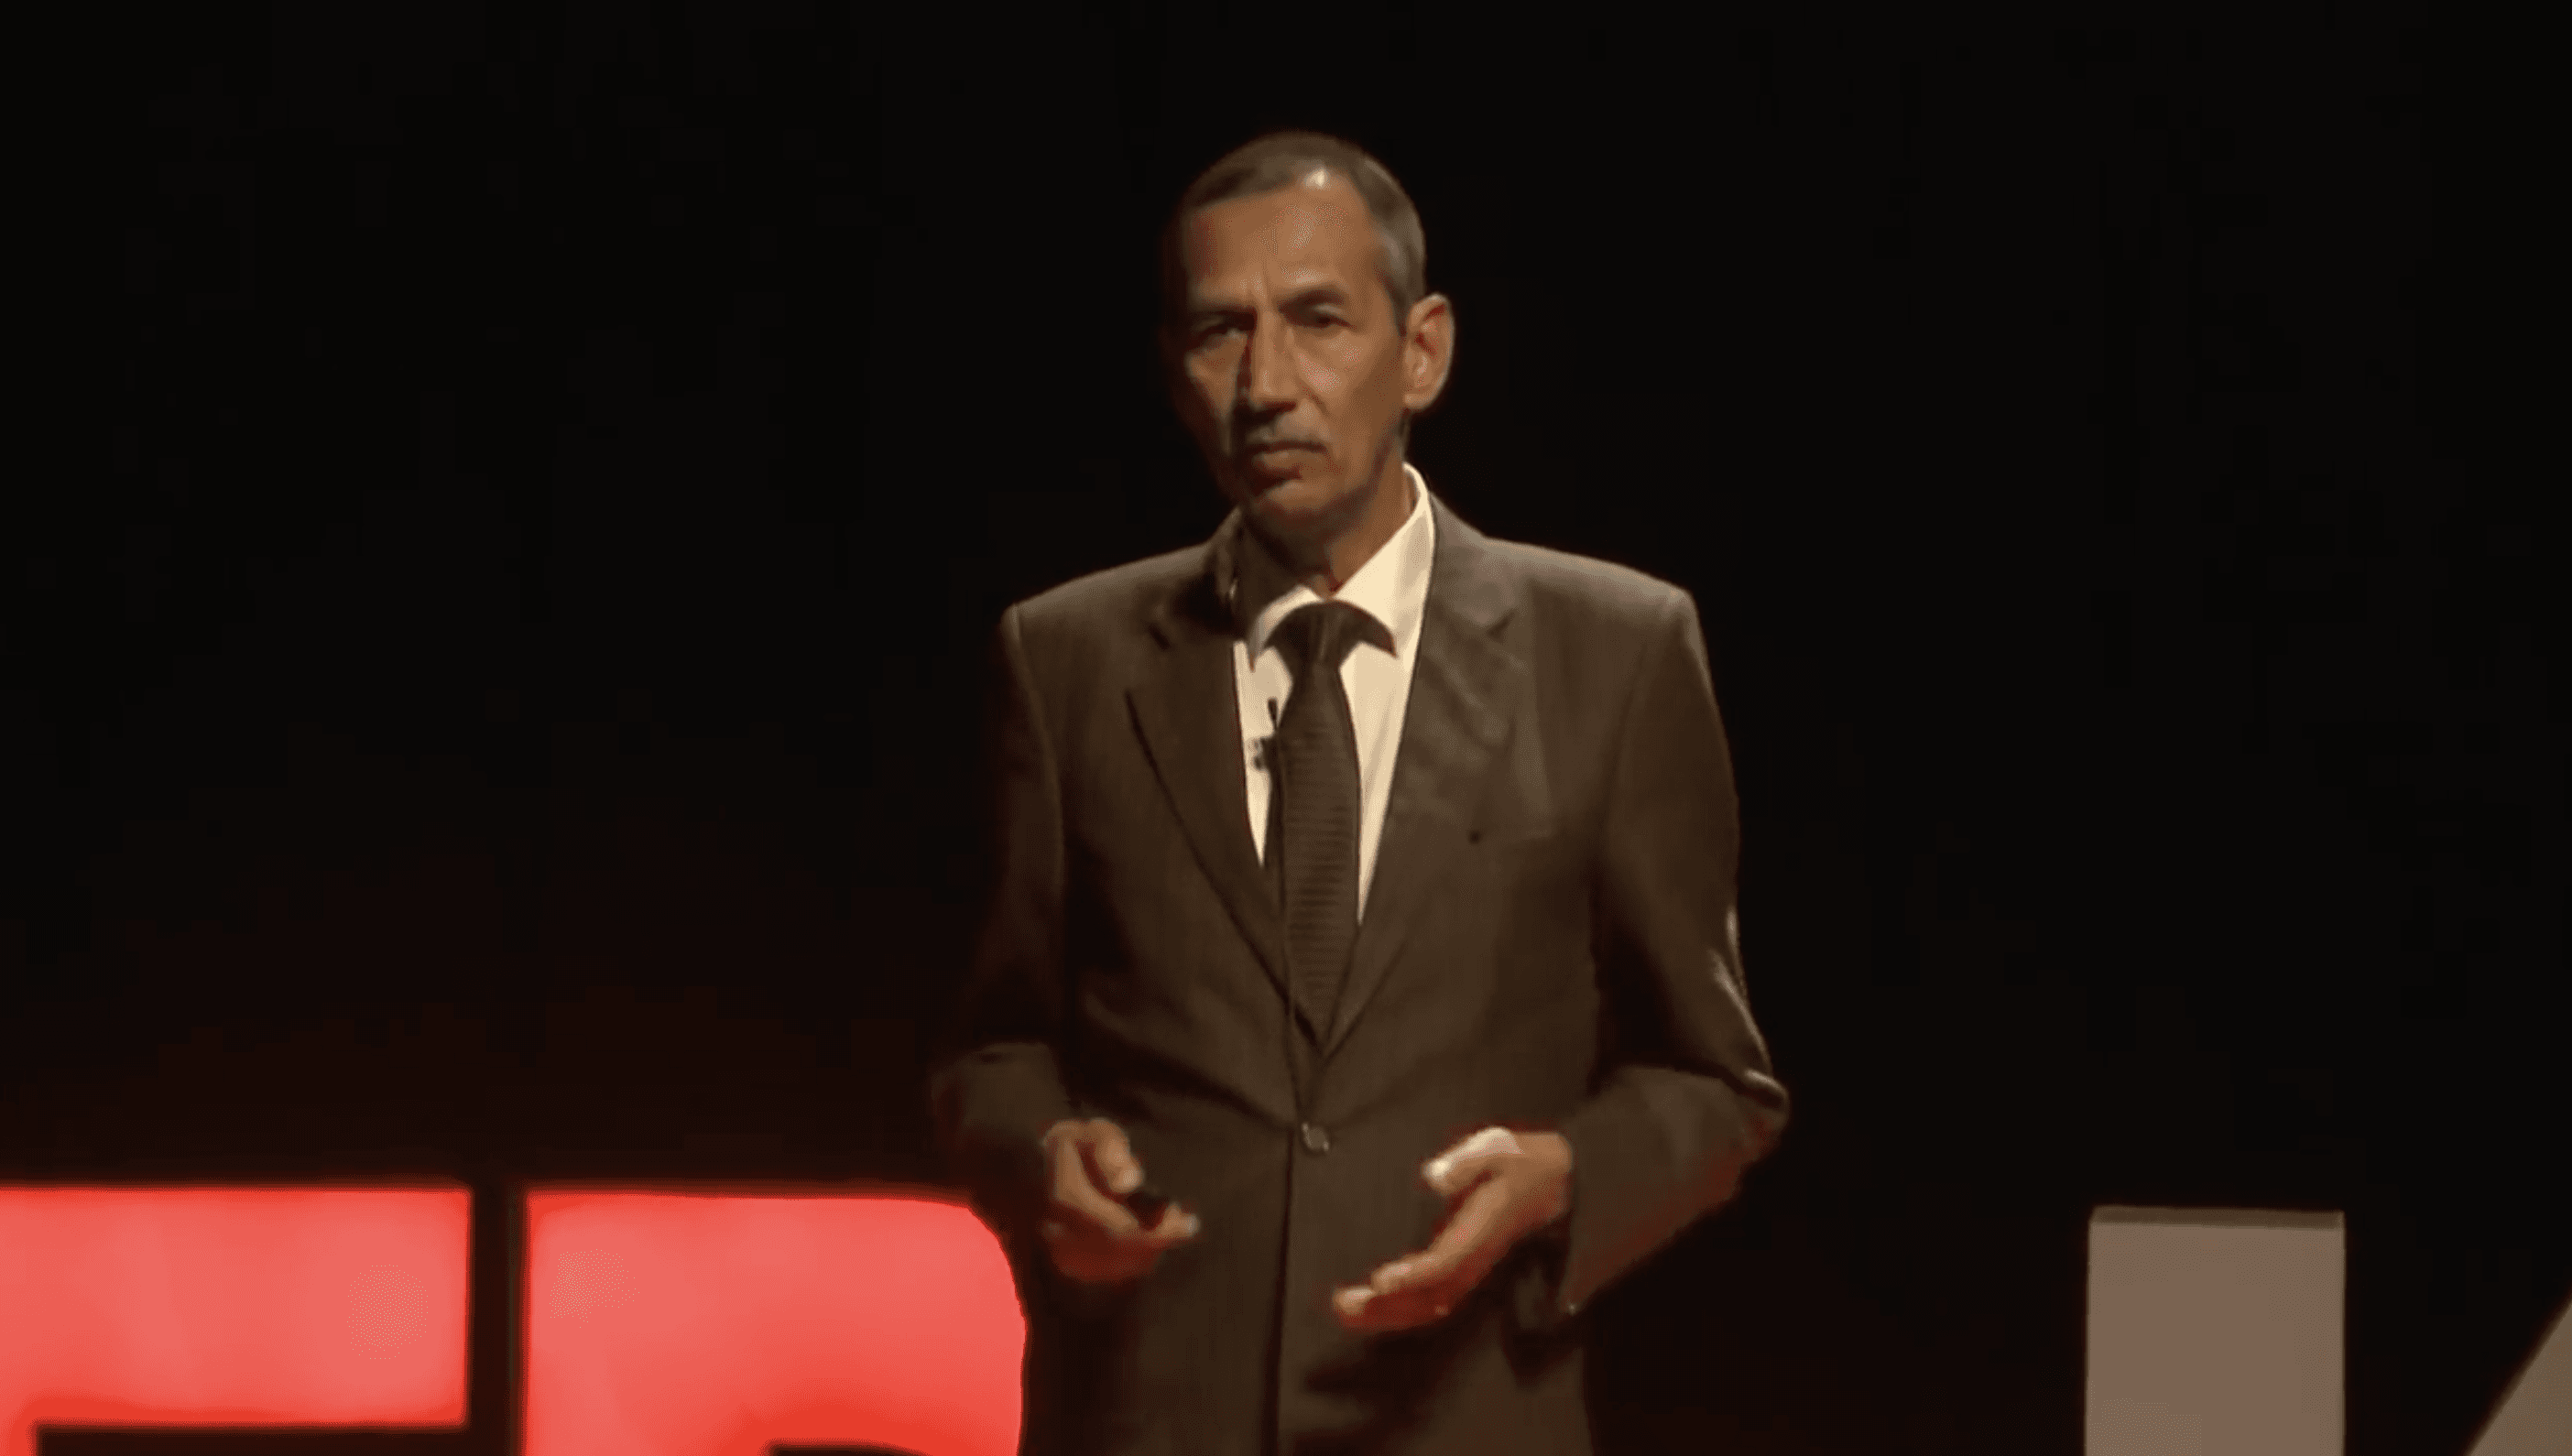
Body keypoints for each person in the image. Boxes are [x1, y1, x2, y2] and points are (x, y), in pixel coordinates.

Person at [926, 129, 1788, 1456]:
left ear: (1422, 352)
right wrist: (1043, 1155)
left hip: (1463, 1416)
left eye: (1317, 321)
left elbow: (1716, 1081)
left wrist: (1565, 1178)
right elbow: (989, 1051)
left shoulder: (1614, 653)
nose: (1265, 383)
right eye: (1219, 333)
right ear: (1172, 373)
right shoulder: (1065, 661)